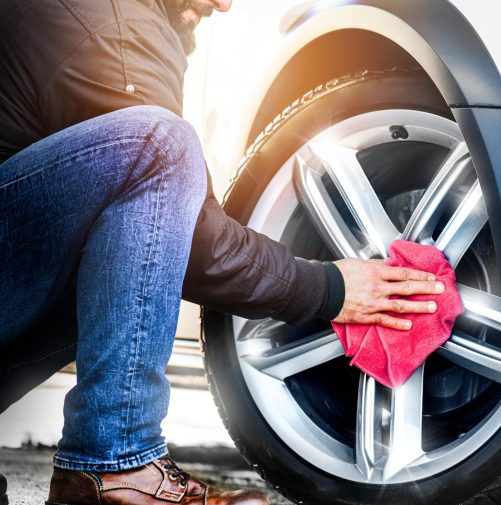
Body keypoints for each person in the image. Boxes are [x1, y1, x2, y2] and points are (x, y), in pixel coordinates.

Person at [0, 1, 444, 504]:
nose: (226, 4)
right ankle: (114, 463)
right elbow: (193, 243)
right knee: (160, 146)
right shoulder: (110, 24)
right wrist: (331, 287)